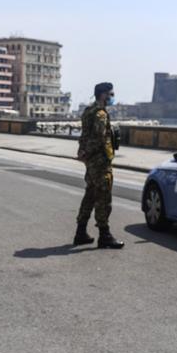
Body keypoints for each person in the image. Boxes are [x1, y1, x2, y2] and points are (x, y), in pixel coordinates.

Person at [74, 82, 125, 249]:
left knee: (89, 195)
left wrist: (83, 153)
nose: (112, 97)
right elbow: (98, 138)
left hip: (91, 162)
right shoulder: (100, 114)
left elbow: (84, 136)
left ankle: (80, 232)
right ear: (103, 95)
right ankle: (105, 235)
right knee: (103, 198)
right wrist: (86, 153)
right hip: (100, 161)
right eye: (110, 94)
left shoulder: (88, 111)